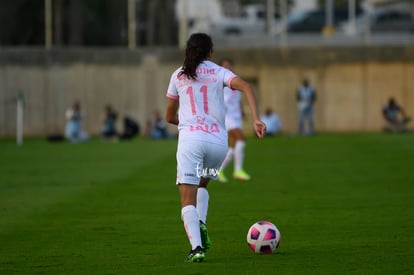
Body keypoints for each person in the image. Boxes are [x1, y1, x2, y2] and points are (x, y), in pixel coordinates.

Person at [165, 33, 266, 263]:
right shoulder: (219, 71)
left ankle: (196, 248)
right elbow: (246, 87)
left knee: (186, 200)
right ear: (210, 53)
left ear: (187, 51)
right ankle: (200, 222)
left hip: (191, 143)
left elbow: (169, 116)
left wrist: (189, 122)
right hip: (219, 146)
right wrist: (256, 119)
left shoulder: (178, 75)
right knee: (203, 184)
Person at [216, 58, 251, 183]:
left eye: (229, 65)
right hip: (227, 116)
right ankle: (238, 170)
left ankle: (219, 170)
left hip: (235, 116)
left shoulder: (234, 79)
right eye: (225, 66)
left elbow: (238, 97)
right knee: (241, 140)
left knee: (233, 146)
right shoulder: (219, 81)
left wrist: (242, 110)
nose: (227, 68)